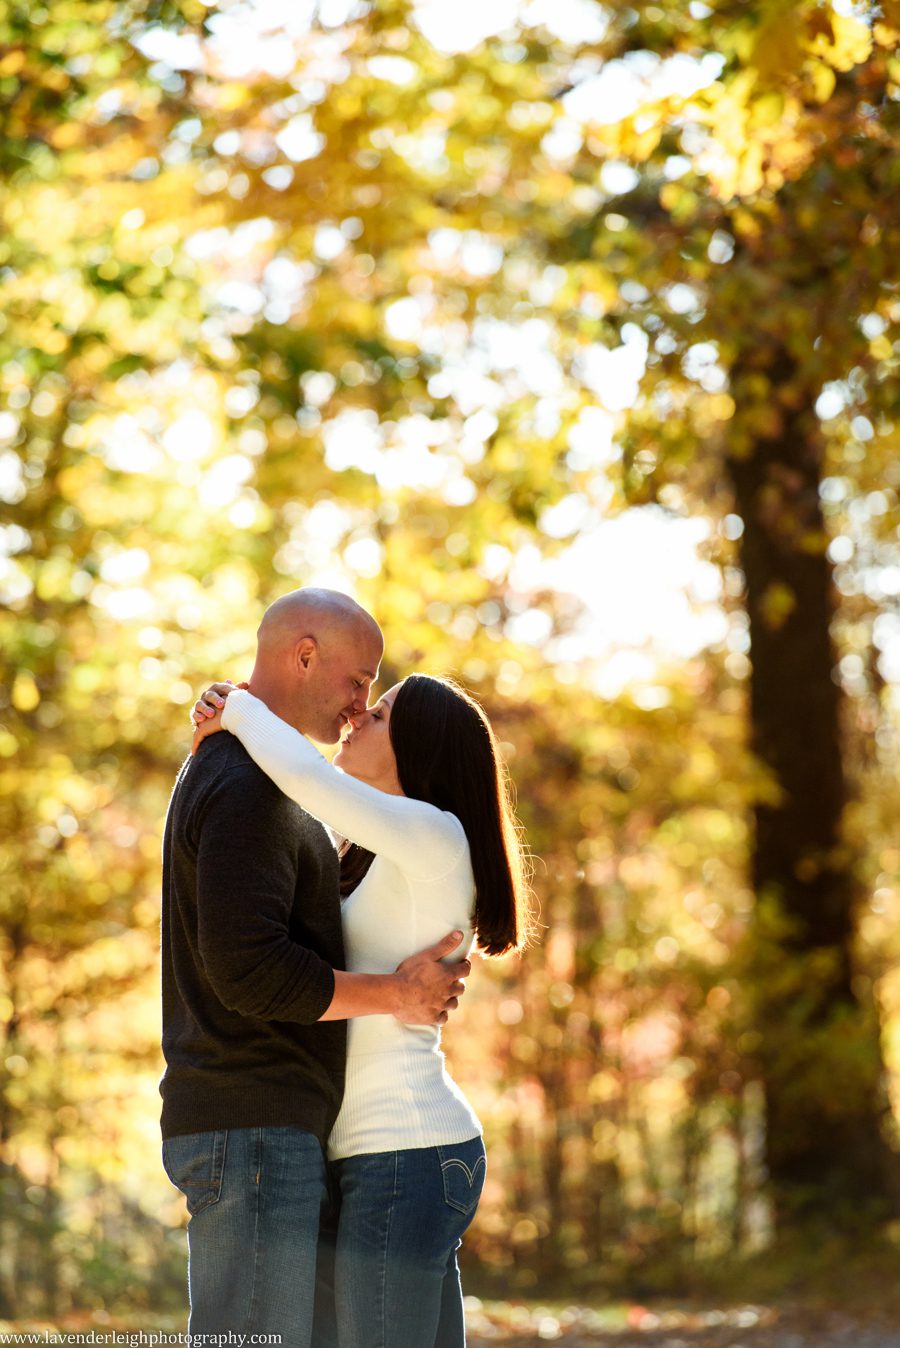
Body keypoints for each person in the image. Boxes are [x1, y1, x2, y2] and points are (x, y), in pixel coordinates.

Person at [160, 588, 470, 1348]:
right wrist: (396, 992)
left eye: (377, 700)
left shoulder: (296, 791)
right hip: (253, 1124)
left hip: (314, 1133)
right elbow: (253, 973)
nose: (360, 708)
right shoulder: (250, 785)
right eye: (360, 681)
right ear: (304, 654)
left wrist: (235, 709)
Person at [190, 661, 533, 1348]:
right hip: (394, 1152)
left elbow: (305, 777)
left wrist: (239, 705)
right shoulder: (372, 848)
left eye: (379, 716)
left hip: (404, 1151)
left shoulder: (434, 835)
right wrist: (217, 739)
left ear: (420, 751)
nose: (357, 716)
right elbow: (279, 801)